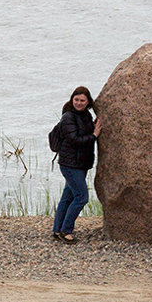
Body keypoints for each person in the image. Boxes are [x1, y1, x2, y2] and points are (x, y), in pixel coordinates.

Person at [51, 85, 103, 244]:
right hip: (70, 164)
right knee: (81, 197)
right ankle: (67, 230)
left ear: (88, 102)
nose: (79, 103)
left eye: (82, 100)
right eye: (76, 99)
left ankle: (57, 229)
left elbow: (83, 133)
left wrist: (93, 126)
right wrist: (94, 135)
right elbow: (75, 140)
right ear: (72, 99)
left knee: (68, 197)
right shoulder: (68, 117)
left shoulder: (86, 116)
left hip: (81, 164)